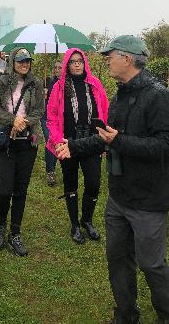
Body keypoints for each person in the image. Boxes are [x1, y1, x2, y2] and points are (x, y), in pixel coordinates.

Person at [54, 36, 169, 324]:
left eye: (110, 57)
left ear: (127, 59)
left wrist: (120, 140)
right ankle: (126, 316)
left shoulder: (158, 95)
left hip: (147, 200)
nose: (106, 62)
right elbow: (107, 137)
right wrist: (74, 146)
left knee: (152, 264)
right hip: (118, 198)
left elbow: (164, 146)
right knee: (118, 260)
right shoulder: (119, 96)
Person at [47, 48, 109, 244]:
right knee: (70, 184)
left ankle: (87, 220)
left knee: (93, 183)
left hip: (91, 142)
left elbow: (105, 111)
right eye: (72, 61)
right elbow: (51, 119)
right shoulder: (59, 87)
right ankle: (74, 224)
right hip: (68, 143)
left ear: (84, 63)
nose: (76, 64)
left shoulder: (95, 85)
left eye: (79, 61)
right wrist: (57, 141)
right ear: (66, 64)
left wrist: (104, 138)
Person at [0, 47, 44, 257]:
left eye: (27, 60)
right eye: (20, 60)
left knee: (21, 189)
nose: (24, 64)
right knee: (5, 189)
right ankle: (1, 225)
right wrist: (12, 120)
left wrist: (23, 123)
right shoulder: (3, 82)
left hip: (27, 143)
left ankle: (15, 233)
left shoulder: (36, 83)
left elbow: (39, 110)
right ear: (12, 61)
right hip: (6, 142)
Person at [41, 61, 62, 186]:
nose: (57, 69)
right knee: (50, 140)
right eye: (55, 68)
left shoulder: (68, 83)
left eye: (60, 67)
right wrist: (43, 93)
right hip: (46, 117)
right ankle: (50, 172)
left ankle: (52, 168)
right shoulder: (48, 81)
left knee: (57, 142)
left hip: (61, 119)